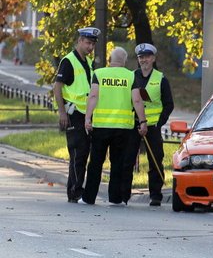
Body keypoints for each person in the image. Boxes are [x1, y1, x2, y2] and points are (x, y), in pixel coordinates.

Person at [81, 47, 147, 206]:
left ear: (110, 59)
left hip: (101, 126)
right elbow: (137, 101)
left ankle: (89, 197)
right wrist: (143, 122)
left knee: (96, 162)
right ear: (124, 60)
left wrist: (87, 117)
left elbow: (94, 96)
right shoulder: (131, 76)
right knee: (117, 163)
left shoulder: (99, 74)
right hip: (123, 128)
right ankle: (116, 197)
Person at [121, 43, 175, 206]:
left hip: (152, 126)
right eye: (140, 57)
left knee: (155, 159)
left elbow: (168, 104)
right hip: (133, 124)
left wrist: (159, 123)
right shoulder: (131, 76)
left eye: (146, 57)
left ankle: (156, 195)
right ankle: (124, 194)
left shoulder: (161, 79)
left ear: (153, 59)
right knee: (128, 159)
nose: (143, 60)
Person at [53, 27, 98, 203]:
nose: (90, 47)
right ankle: (75, 191)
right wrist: (62, 112)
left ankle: (76, 190)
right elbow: (57, 87)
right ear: (79, 41)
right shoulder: (69, 61)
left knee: (83, 153)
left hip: (86, 114)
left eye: (93, 44)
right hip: (74, 114)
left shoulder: (87, 61)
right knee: (78, 154)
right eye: (88, 43)